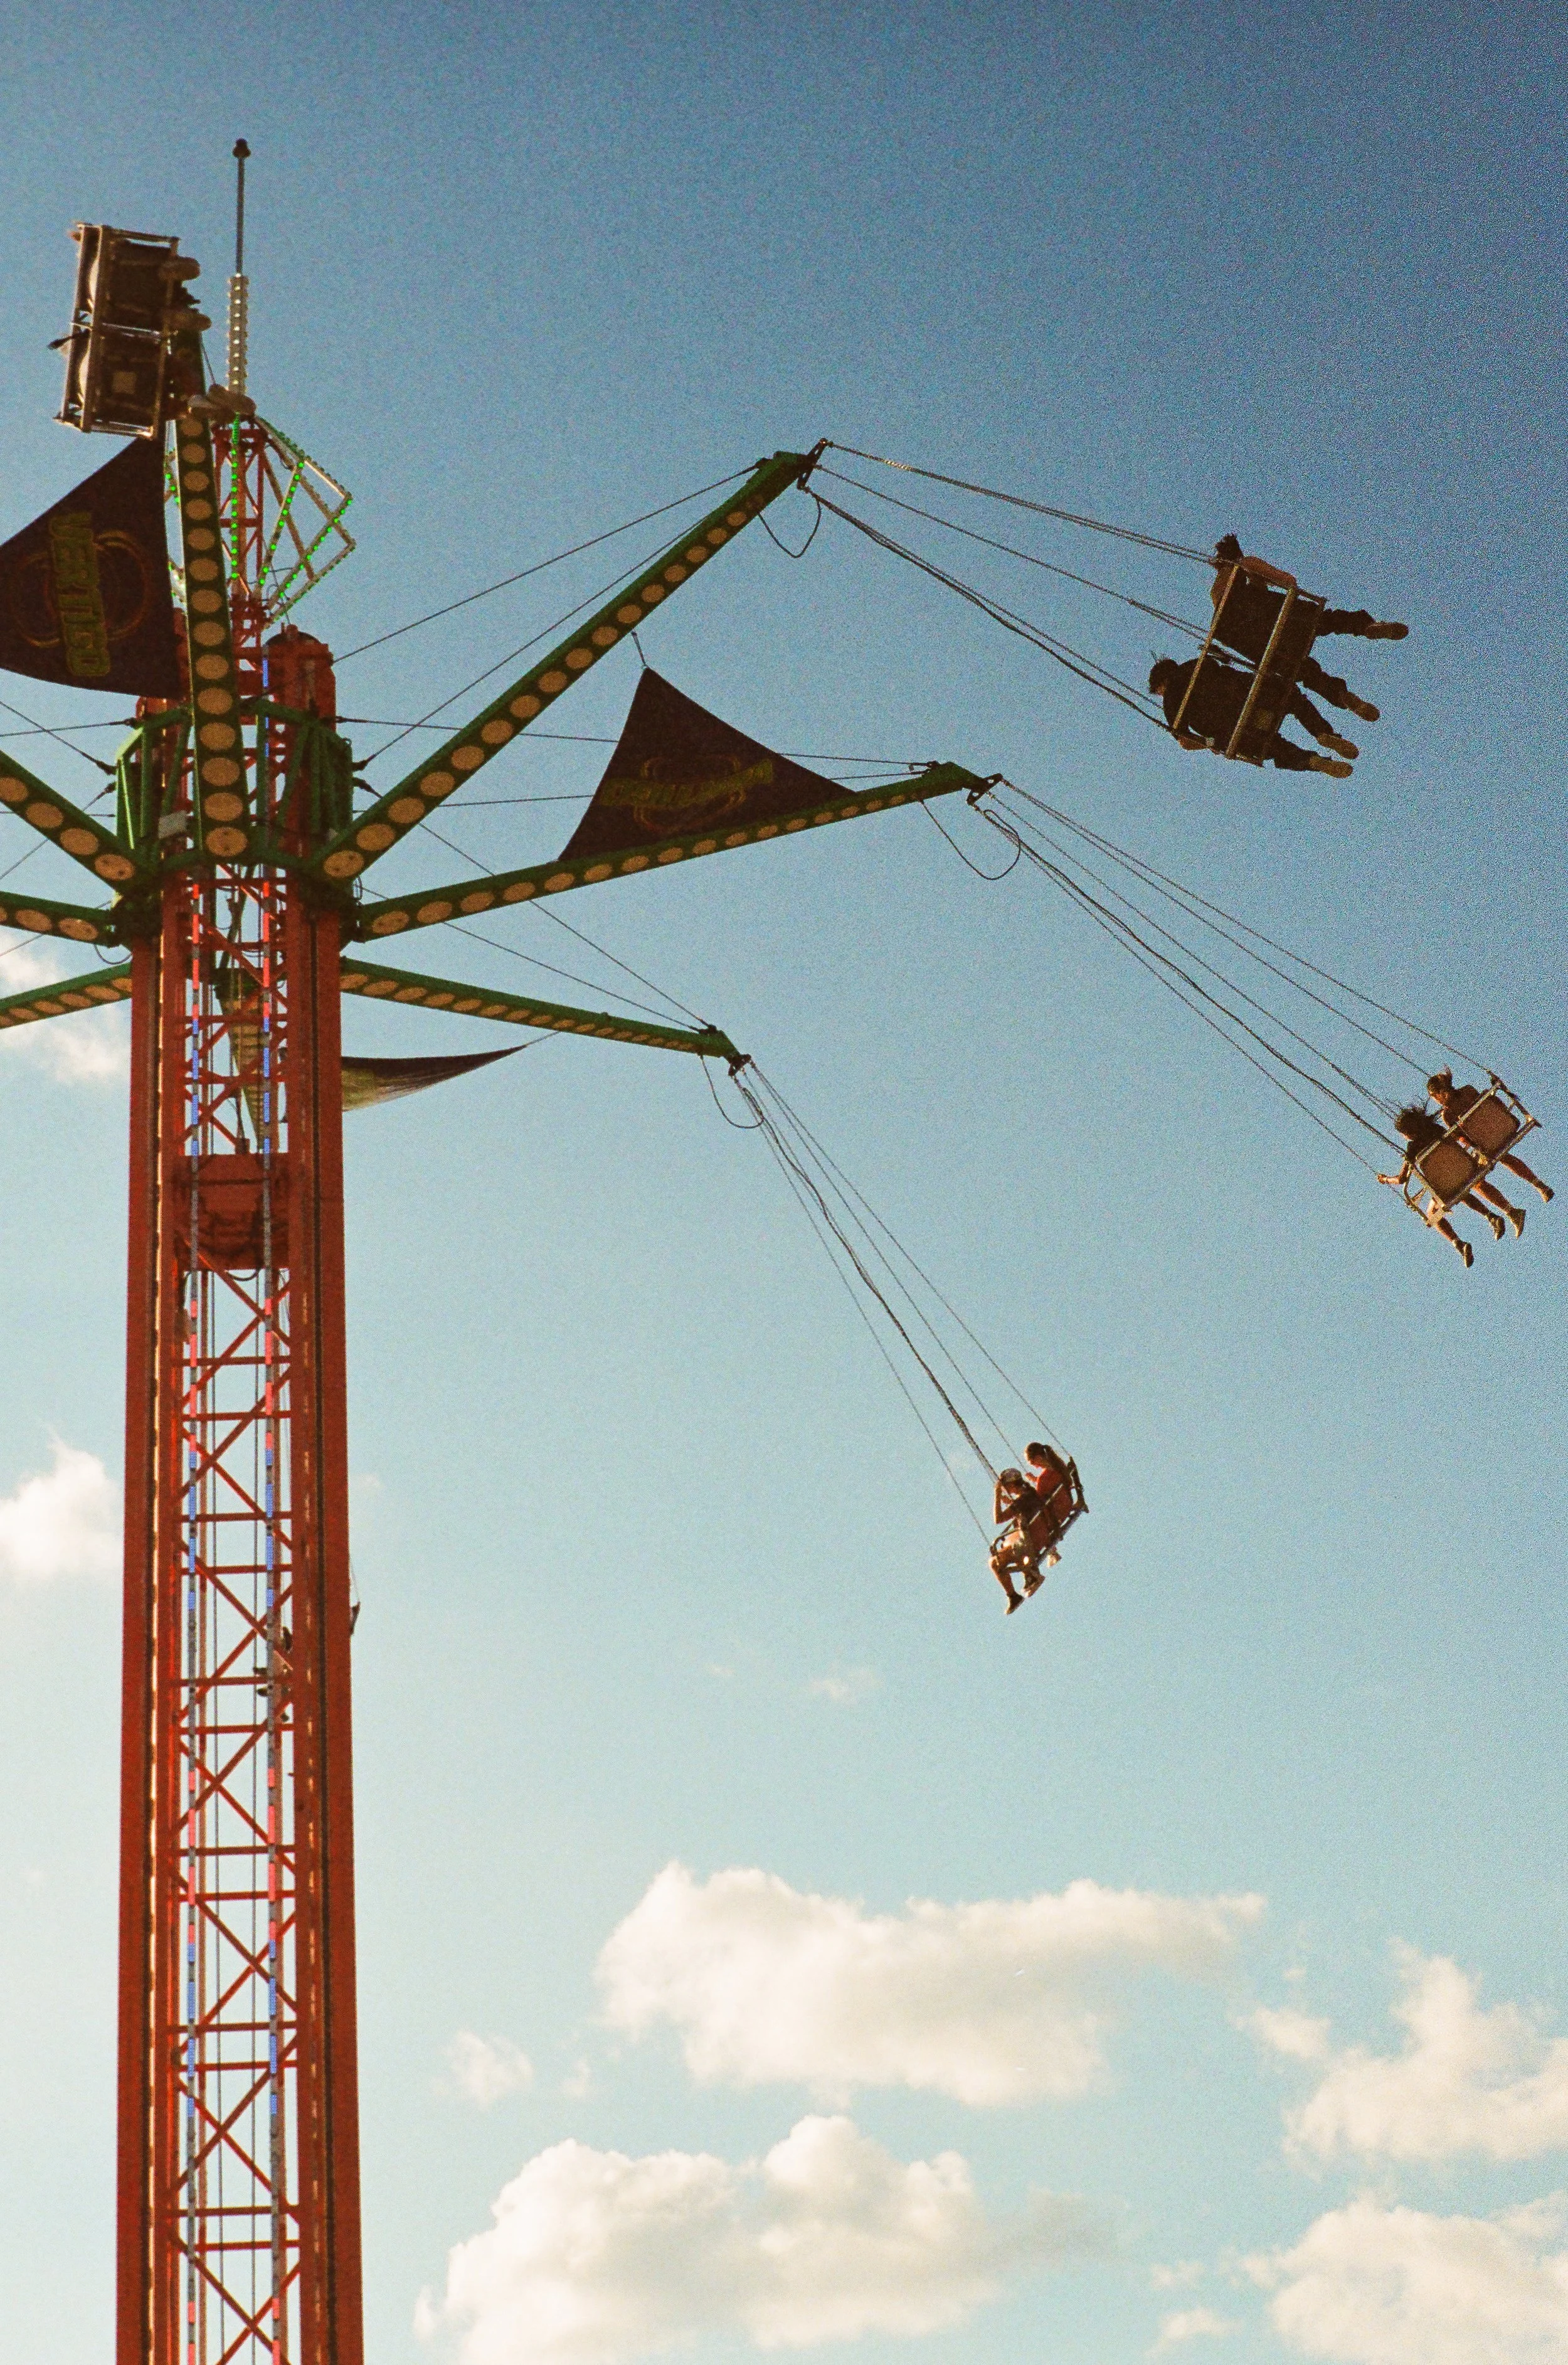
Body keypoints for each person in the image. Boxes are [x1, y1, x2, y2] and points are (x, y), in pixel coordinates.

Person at [1209, 534, 1407, 724]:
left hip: (1236, 634)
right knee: (1323, 620)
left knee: (1297, 668)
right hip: (1264, 616)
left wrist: (1258, 584)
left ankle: (1340, 695)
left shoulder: (1216, 591)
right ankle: (1366, 626)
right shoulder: (1244, 564)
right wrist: (1270, 581)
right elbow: (1288, 581)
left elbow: (1245, 609)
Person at [1148, 654, 1353, 775]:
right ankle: (1323, 733)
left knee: (1272, 747)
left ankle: (1312, 762)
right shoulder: (1199, 662)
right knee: (1293, 699)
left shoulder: (1170, 702)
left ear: (1161, 685)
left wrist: (1210, 743)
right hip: (1256, 699)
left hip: (1237, 732)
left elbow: (1185, 742)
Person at [1377, 1104, 1515, 1265]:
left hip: (1446, 1186)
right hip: (1465, 1169)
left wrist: (1386, 1179)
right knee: (1461, 1189)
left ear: (1408, 1133)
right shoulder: (1437, 1130)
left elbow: (1402, 1180)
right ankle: (1491, 1216)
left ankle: (1458, 1243)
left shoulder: (1412, 1148)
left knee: (1432, 1212)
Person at [1426, 1070, 1554, 1207]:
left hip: (1487, 1144)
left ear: (1440, 1094)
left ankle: (1507, 1210)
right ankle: (1539, 1185)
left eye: (1435, 1097)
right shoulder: (1468, 1090)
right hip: (1502, 1126)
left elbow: (1463, 1139)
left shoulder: (1448, 1115)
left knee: (1475, 1180)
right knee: (1504, 1155)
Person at [989, 1467, 1037, 1613]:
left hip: (1028, 1542)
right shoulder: (1031, 1494)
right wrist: (1011, 1504)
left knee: (995, 1563)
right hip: (1036, 1535)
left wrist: (997, 1496)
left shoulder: (1021, 1502)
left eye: (1005, 1488)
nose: (1004, 1491)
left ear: (1010, 1486)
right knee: (1008, 1546)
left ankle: (1013, 1596)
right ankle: (1029, 1575)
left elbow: (998, 1519)